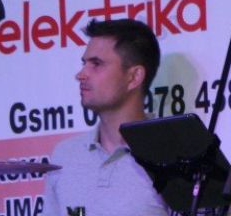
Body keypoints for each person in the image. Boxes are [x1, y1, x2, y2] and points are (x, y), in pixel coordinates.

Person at [42, 18, 168, 216]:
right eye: (84, 63)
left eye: (96, 64)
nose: (81, 74)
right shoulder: (65, 155)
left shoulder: (172, 156)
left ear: (134, 77)